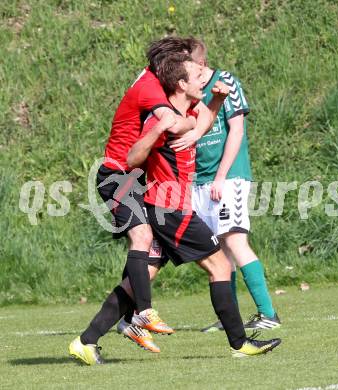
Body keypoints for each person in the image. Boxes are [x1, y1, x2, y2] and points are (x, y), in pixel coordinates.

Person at [68, 37, 224, 365]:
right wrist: (192, 125)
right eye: (193, 66)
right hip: (118, 175)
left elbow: (185, 121)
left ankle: (93, 338)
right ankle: (142, 313)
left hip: (141, 181)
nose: (199, 71)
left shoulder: (159, 86)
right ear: (173, 68)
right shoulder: (150, 88)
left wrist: (203, 113)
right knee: (143, 238)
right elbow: (172, 122)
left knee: (150, 262)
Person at [127, 53, 281, 357]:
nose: (205, 80)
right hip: (169, 208)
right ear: (181, 83)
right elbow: (133, 158)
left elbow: (201, 125)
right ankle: (241, 341)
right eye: (198, 76)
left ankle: (96, 334)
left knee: (152, 264)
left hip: (171, 206)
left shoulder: (185, 111)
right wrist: (158, 131)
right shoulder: (165, 117)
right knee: (220, 263)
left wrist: (216, 102)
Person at [182, 38, 281, 332]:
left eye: (185, 65)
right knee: (219, 250)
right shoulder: (189, 88)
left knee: (235, 241)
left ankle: (268, 314)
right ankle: (232, 319)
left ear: (199, 63)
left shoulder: (225, 81)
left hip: (228, 177)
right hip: (200, 180)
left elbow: (236, 130)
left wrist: (222, 176)